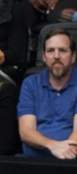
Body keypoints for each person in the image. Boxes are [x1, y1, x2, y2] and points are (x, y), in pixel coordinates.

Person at [18, 29, 77, 159]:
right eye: (51, 51)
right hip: (34, 161)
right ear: (44, 57)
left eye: (62, 50)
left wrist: (66, 152)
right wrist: (52, 145)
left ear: (73, 56)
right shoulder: (31, 83)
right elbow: (26, 132)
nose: (56, 56)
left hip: (71, 160)